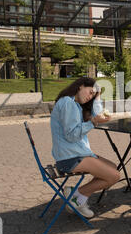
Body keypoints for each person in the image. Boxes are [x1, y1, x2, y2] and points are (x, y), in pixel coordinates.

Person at [50, 77, 120, 219]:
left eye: (92, 96)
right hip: (70, 157)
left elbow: (97, 114)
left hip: (76, 153)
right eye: (90, 92)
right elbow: (71, 135)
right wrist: (93, 122)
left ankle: (78, 198)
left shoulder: (74, 103)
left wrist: (97, 95)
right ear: (80, 86)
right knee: (114, 176)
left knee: (113, 167)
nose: (90, 97)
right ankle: (77, 196)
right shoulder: (68, 103)